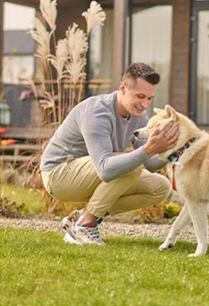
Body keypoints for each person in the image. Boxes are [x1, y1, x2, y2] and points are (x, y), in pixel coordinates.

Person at [40, 62, 180, 245]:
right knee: (130, 166)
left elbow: (152, 164)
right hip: (59, 174)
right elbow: (106, 170)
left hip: (89, 173)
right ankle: (84, 227)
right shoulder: (97, 113)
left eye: (149, 98)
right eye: (140, 96)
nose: (145, 104)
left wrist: (172, 150)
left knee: (160, 187)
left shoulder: (138, 117)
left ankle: (81, 217)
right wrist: (148, 149)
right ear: (123, 89)